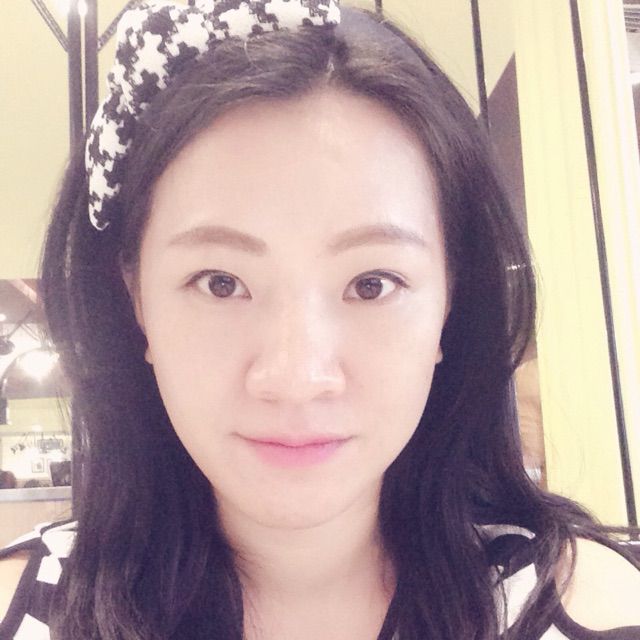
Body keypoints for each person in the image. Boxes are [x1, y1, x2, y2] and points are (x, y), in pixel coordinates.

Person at [0, 1, 639, 639]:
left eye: (371, 284)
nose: (296, 378)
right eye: (220, 283)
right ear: (137, 301)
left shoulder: (586, 609)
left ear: (450, 301)